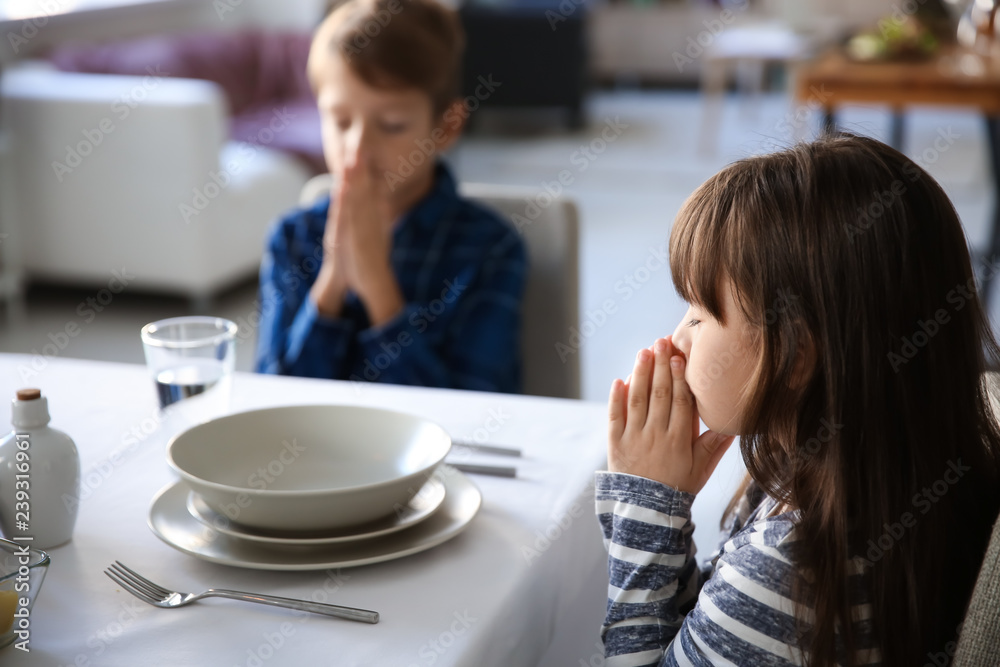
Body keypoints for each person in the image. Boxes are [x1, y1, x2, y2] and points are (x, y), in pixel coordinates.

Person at [596, 133, 1000, 666]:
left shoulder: (787, 572)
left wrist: (644, 506)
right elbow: (711, 635)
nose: (676, 339)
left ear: (793, 354)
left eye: (698, 312)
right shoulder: (907, 476)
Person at [254, 0, 526, 392]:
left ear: (446, 127)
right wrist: (333, 281)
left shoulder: (490, 250)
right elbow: (271, 403)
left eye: (392, 124)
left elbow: (472, 417)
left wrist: (378, 288)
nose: (358, 149)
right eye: (341, 121)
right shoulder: (292, 238)